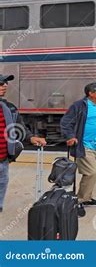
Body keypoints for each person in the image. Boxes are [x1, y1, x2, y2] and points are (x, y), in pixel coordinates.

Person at [0, 74, 47, 213]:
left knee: (2, 185)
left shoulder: (10, 108)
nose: (5, 85)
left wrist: (32, 138)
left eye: (5, 83)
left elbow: (19, 128)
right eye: (1, 83)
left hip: (3, 160)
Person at [60, 82, 96, 207]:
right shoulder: (79, 106)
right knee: (91, 172)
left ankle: (87, 197)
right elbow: (66, 122)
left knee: (94, 173)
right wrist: (70, 136)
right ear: (91, 93)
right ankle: (80, 200)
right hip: (86, 146)